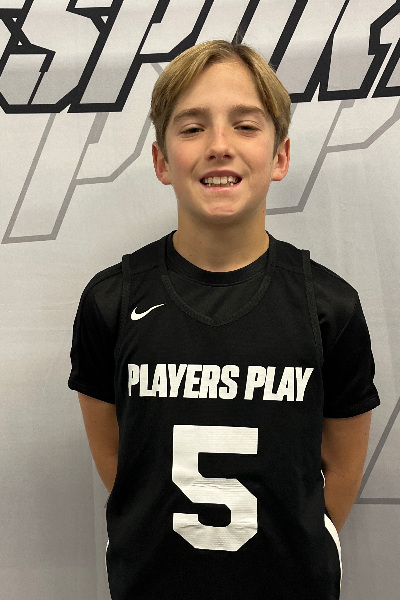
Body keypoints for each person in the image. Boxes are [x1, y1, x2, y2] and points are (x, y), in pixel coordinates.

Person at [68, 40, 380, 600]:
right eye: (192, 128)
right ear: (162, 160)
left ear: (279, 156)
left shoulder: (329, 307)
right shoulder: (110, 302)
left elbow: (340, 472)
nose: (219, 146)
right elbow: (121, 461)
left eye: (246, 126)